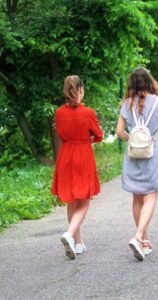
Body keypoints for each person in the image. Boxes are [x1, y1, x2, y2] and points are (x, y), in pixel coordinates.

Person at [116, 67, 158, 261]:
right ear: (150, 81)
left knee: (137, 198)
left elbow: (119, 132)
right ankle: (138, 236)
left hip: (133, 156)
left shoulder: (127, 103)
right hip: (152, 154)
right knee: (151, 196)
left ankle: (144, 242)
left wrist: (132, 140)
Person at [52, 75, 103, 259]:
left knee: (72, 200)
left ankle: (77, 243)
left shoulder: (58, 113)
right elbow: (98, 135)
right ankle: (69, 234)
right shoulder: (88, 112)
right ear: (80, 90)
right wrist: (92, 137)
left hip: (66, 155)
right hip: (83, 155)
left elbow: (61, 133)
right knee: (85, 200)